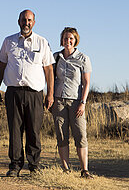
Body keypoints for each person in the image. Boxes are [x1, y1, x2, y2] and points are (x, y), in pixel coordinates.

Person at [0, 9, 55, 177]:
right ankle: (15, 165)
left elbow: (49, 69)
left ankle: (34, 166)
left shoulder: (42, 42)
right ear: (18, 21)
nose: (26, 23)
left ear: (34, 23)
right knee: (15, 130)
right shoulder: (8, 41)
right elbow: (1, 66)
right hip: (13, 92)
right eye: (24, 20)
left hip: (35, 94)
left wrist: (49, 94)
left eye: (29, 20)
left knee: (34, 130)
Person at [51, 27, 93, 179]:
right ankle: (66, 169)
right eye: (65, 38)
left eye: (71, 38)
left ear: (75, 40)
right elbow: (51, 79)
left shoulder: (83, 58)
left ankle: (84, 170)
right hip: (59, 101)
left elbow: (86, 82)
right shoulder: (55, 57)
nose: (67, 41)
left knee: (80, 134)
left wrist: (83, 102)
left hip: (76, 101)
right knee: (61, 134)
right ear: (61, 40)